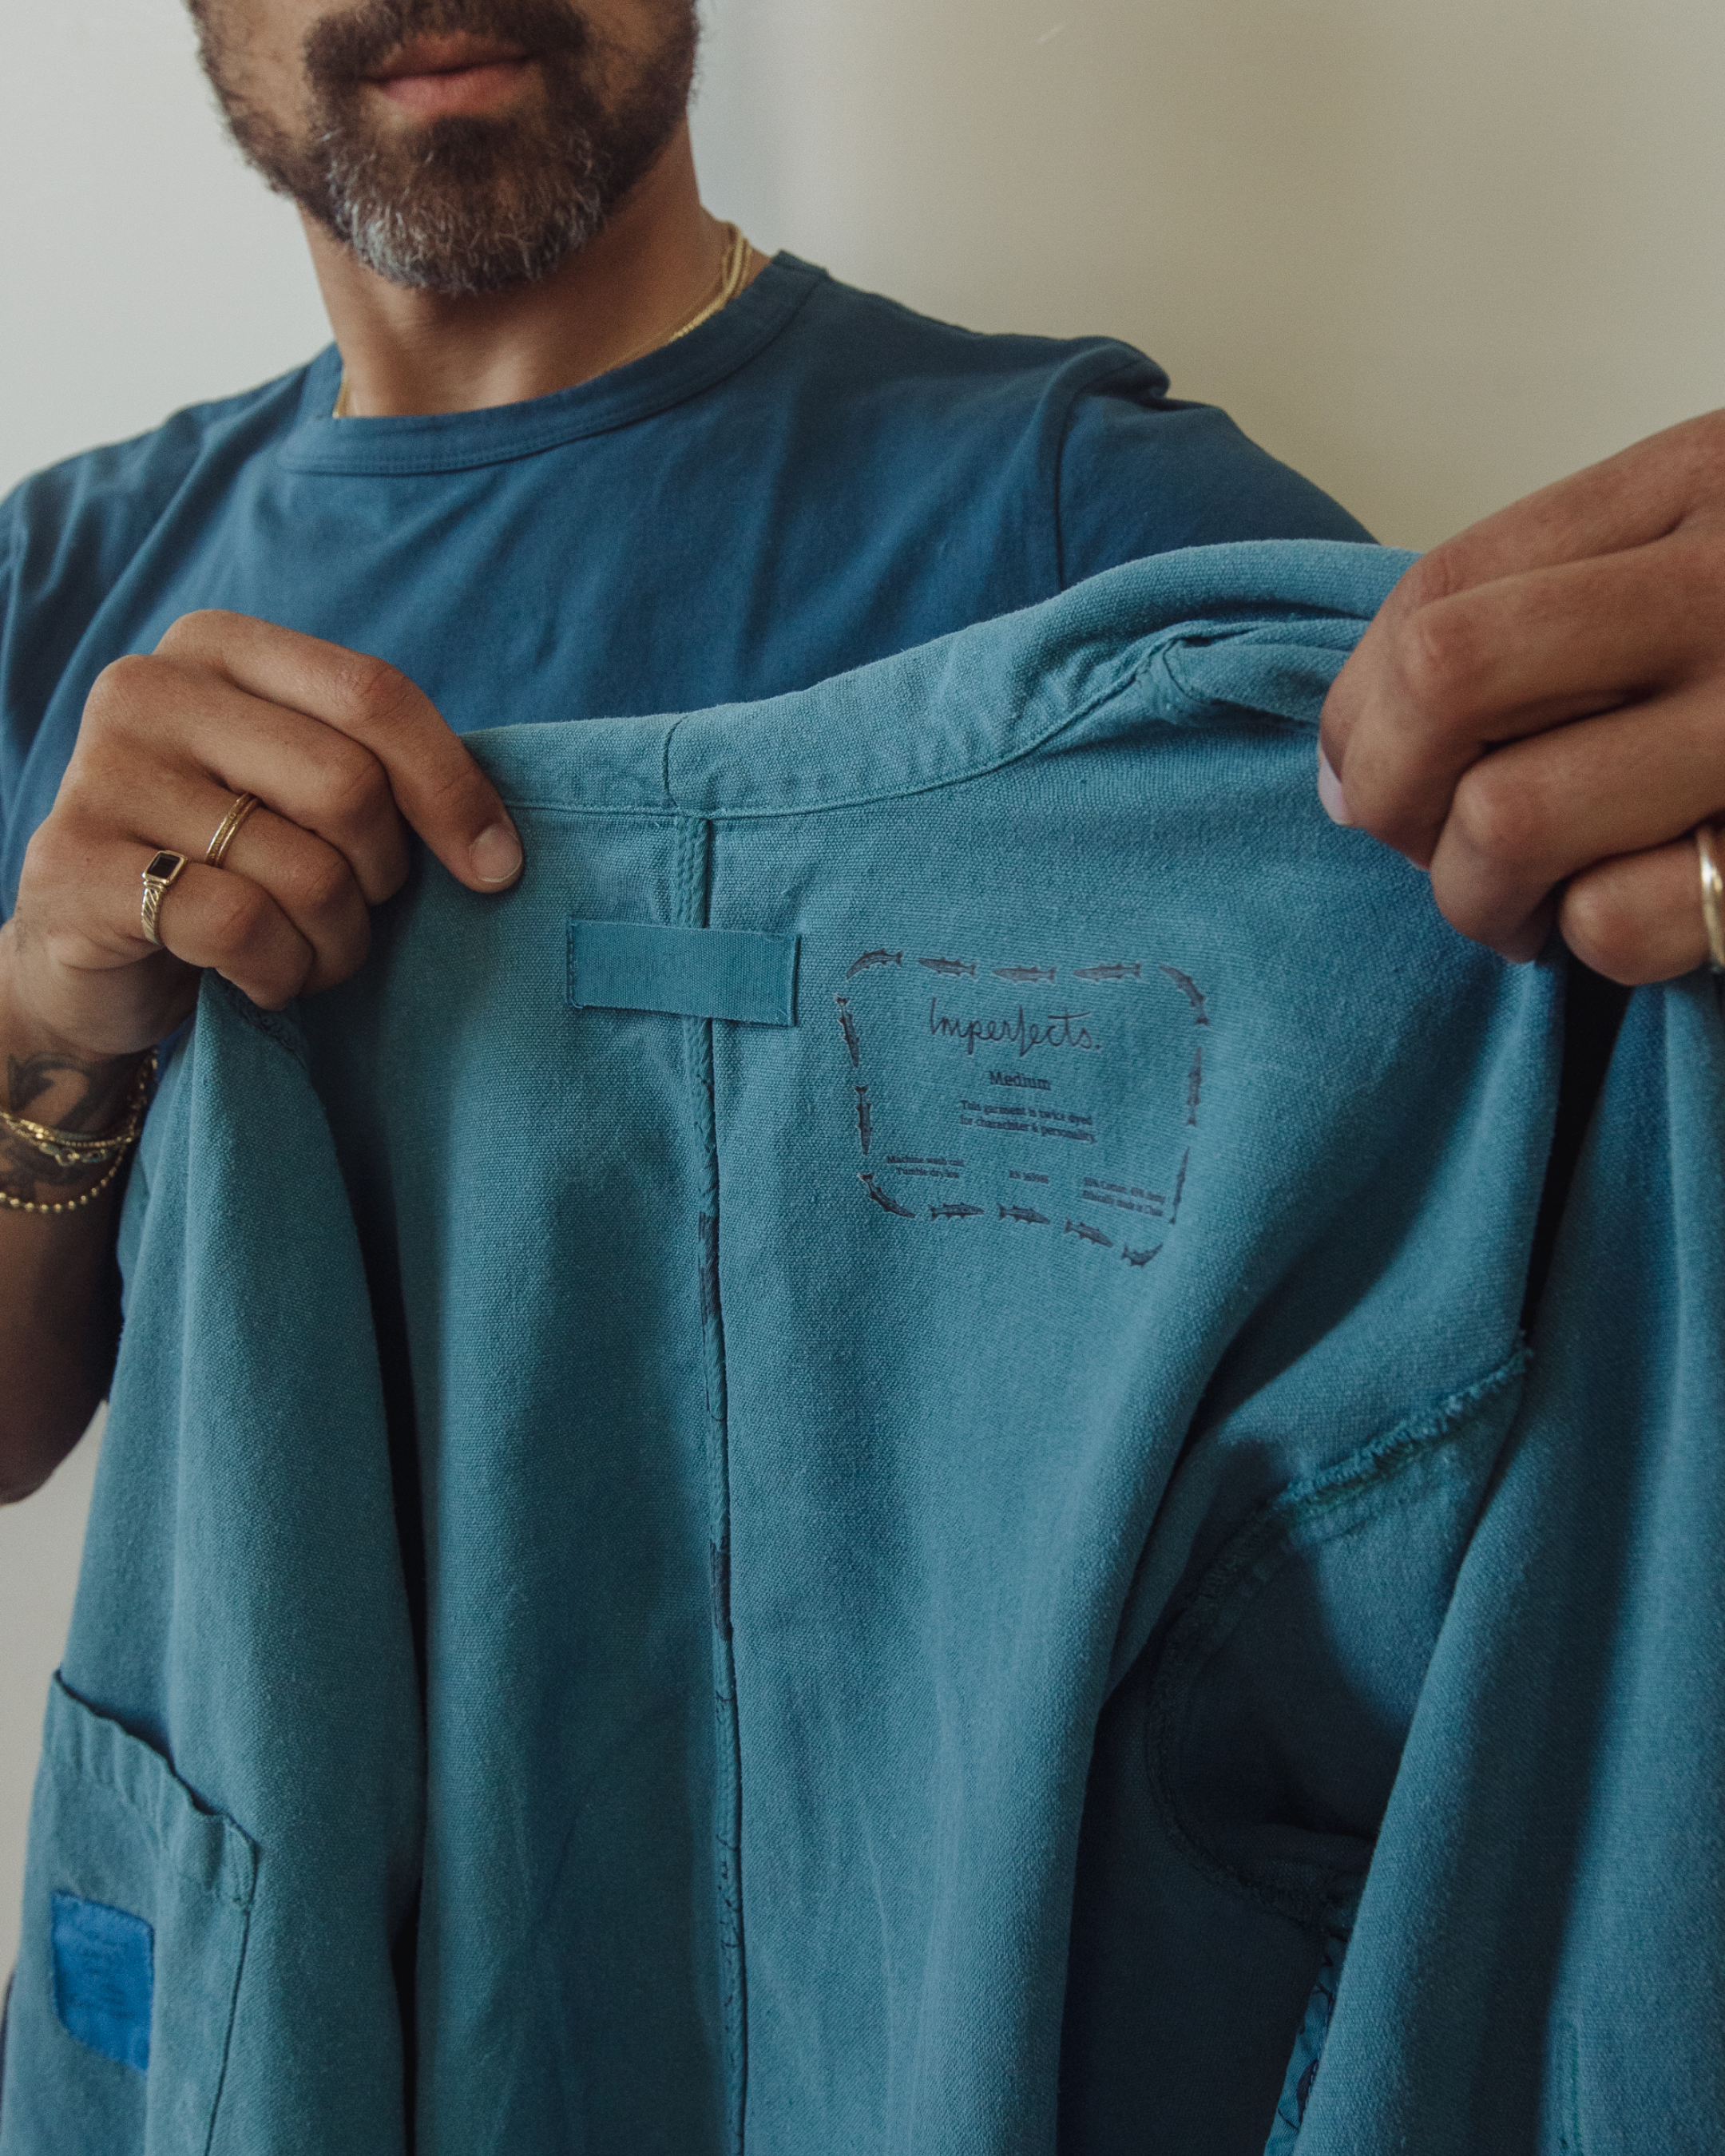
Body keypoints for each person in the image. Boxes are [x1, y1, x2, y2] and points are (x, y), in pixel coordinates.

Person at [0, 0, 1720, 1514]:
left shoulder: (1107, 539)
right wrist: (52, 1030)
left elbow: (1561, 1274)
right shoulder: (58, 592)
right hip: (276, 1859)